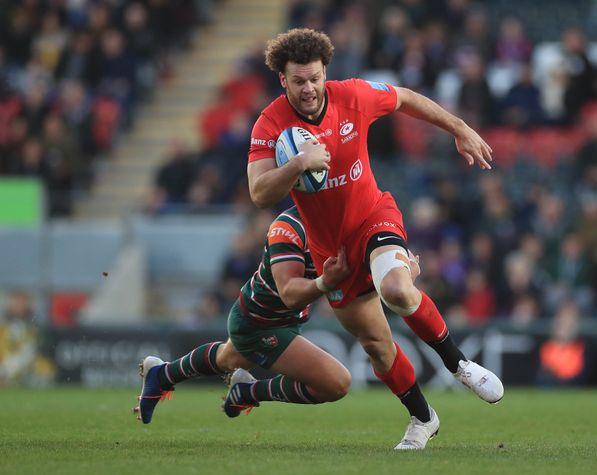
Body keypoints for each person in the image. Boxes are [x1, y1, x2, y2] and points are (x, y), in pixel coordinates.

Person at [246, 28, 504, 450]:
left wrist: (458, 127)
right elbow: (259, 193)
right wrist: (297, 164)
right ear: (283, 80)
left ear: (325, 71)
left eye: (314, 78)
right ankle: (424, 420)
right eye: (298, 81)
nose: (309, 88)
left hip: (373, 216)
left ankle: (459, 365)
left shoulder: (354, 95)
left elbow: (403, 97)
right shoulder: (271, 123)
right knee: (376, 346)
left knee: (398, 291)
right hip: (331, 251)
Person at [134, 206, 353, 423]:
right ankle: (249, 391)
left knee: (228, 358)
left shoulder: (338, 220)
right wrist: (326, 282)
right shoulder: (290, 226)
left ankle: (162, 374)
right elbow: (290, 293)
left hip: (275, 317)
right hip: (263, 322)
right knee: (336, 382)